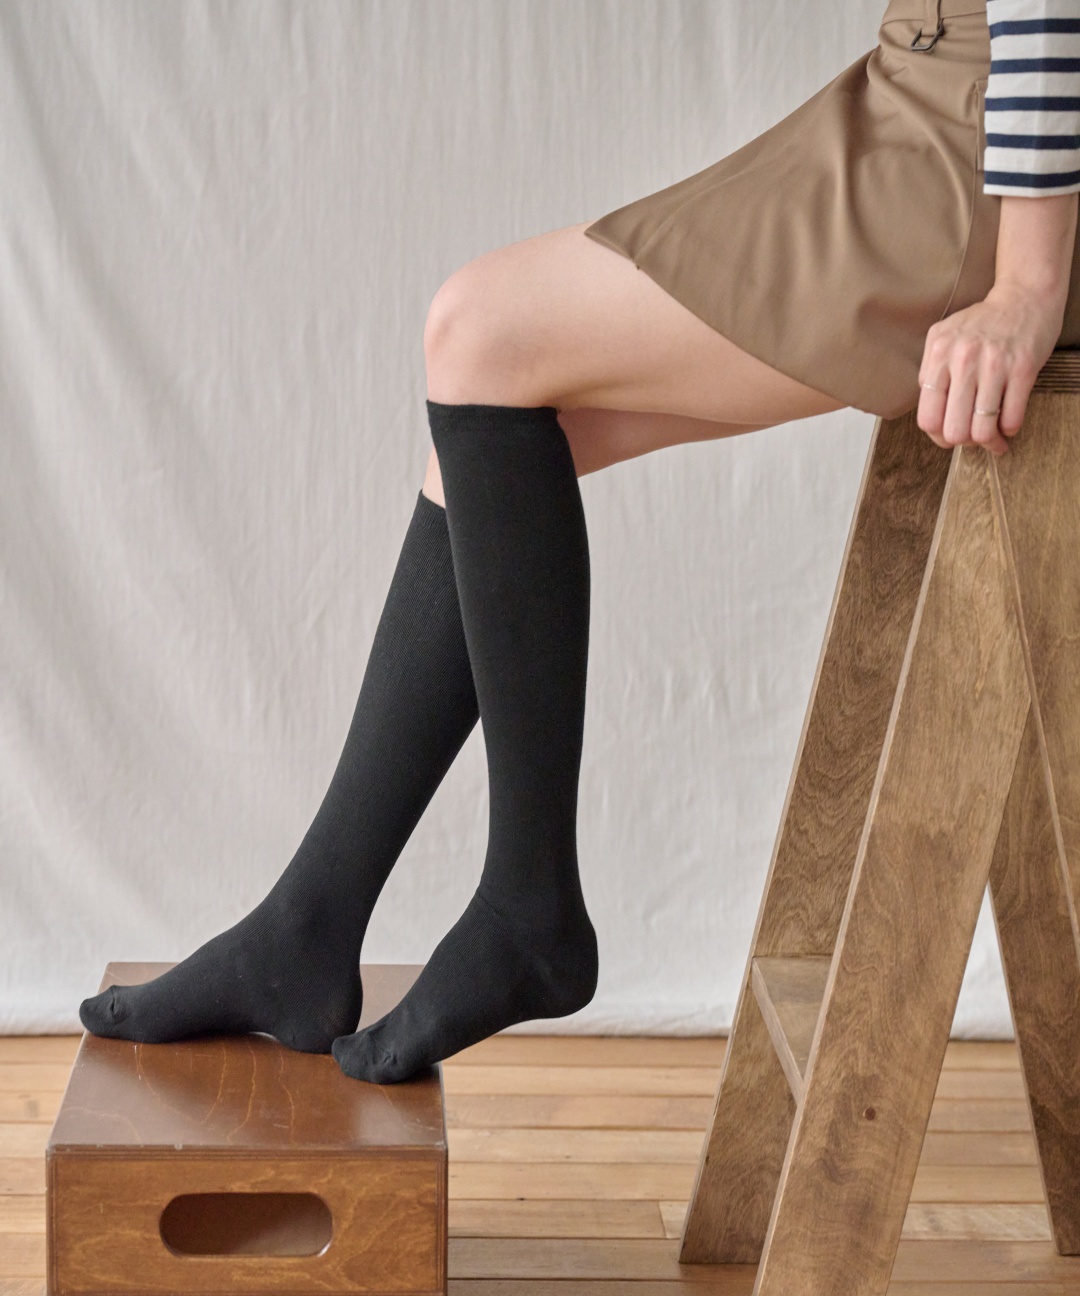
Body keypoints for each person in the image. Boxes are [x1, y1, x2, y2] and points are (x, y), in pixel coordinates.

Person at [79, 0, 1080, 1083]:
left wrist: (1028, 284)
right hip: (915, 91)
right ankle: (312, 924)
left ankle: (523, 904)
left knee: (480, 332)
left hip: (980, 151)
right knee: (488, 436)